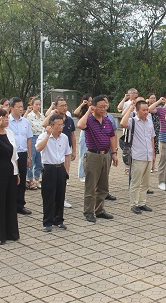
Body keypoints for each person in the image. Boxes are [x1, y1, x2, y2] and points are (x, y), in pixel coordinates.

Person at [78, 95, 118, 223]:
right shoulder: (89, 120)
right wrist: (88, 112)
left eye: (105, 107)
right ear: (93, 107)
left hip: (106, 155)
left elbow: (112, 137)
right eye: (100, 107)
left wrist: (114, 153)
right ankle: (89, 212)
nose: (103, 109)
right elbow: (80, 125)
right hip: (93, 156)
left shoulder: (107, 121)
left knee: (103, 186)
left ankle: (99, 210)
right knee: (91, 186)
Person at [0, 108, 20, 244]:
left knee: (11, 203)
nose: (7, 120)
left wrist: (17, 172)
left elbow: (14, 155)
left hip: (11, 171)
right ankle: (0, 235)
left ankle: (11, 233)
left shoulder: (10, 133)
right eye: (4, 117)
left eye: (7, 117)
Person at [36, 114, 72, 231]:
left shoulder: (64, 137)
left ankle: (59, 220)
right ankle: (47, 222)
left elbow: (67, 154)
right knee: (48, 196)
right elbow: (38, 148)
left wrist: (66, 169)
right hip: (49, 168)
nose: (61, 127)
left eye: (62, 124)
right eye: (58, 125)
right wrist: (48, 135)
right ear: (51, 126)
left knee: (60, 195)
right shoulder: (43, 136)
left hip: (60, 168)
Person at [121, 100, 155, 214]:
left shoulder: (149, 122)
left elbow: (152, 138)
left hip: (148, 156)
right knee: (135, 182)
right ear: (137, 110)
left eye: (147, 109)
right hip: (137, 156)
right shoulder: (133, 121)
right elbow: (123, 123)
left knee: (145, 183)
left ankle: (142, 203)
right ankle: (134, 204)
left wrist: (153, 154)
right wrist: (130, 109)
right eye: (143, 110)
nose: (146, 112)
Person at [44, 97, 77, 207]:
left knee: (64, 175)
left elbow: (72, 135)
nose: (64, 107)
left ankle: (62, 198)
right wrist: (52, 113)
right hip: (53, 153)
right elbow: (44, 124)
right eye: (61, 106)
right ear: (56, 107)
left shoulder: (69, 120)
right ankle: (53, 198)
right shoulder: (53, 119)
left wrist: (74, 150)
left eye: (65, 105)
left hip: (65, 151)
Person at [6, 98, 33, 215]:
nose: (21, 109)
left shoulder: (25, 122)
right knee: (12, 180)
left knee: (22, 181)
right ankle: (10, 204)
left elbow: (29, 139)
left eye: (22, 106)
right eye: (18, 107)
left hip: (22, 154)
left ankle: (20, 205)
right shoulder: (7, 122)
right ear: (11, 108)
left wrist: (29, 156)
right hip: (11, 155)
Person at [153, 92, 166, 190]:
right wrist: (158, 101)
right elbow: (150, 109)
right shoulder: (161, 109)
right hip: (164, 138)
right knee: (163, 161)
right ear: (165, 99)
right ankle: (161, 181)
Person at [24, 97, 44, 190]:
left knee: (39, 160)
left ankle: (37, 179)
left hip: (41, 137)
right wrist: (27, 112)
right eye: (36, 104)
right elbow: (23, 122)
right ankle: (30, 179)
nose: (38, 106)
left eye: (39, 104)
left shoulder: (41, 116)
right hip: (32, 137)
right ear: (32, 105)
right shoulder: (29, 116)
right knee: (31, 159)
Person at [73, 94, 92, 182]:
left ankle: (88, 173)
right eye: (89, 101)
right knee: (83, 154)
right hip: (84, 133)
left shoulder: (93, 109)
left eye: (91, 100)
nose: (90, 102)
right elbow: (75, 113)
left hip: (92, 133)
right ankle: (81, 174)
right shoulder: (83, 111)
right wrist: (82, 104)